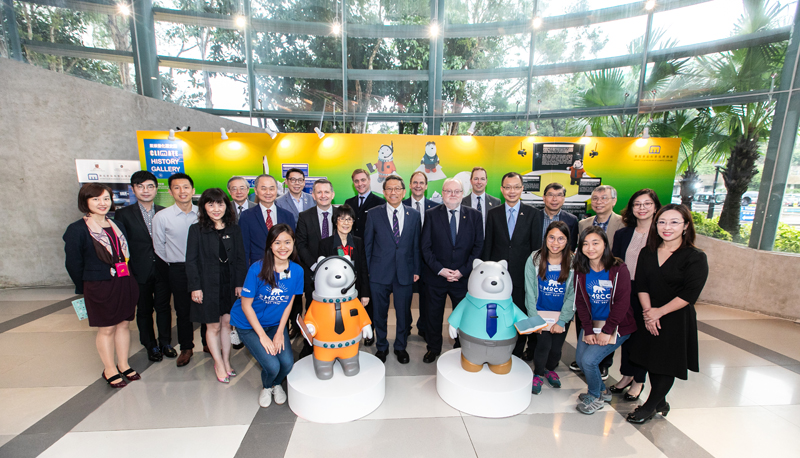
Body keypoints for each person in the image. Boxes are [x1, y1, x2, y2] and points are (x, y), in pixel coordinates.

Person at [627, 204, 708, 424]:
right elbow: (641, 285)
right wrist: (648, 312)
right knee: (651, 360)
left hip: (674, 317)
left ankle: (650, 405)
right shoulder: (648, 251)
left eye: (674, 222)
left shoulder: (695, 257)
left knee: (666, 363)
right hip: (649, 312)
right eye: (662, 222)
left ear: (686, 226)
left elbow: (690, 294)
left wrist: (658, 313)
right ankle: (660, 401)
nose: (667, 227)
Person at [64, 183, 140, 388]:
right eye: (96, 199)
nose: (102, 203)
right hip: (99, 285)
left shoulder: (118, 225)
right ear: (85, 202)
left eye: (106, 198)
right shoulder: (77, 229)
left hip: (124, 281)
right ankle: (109, 369)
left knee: (124, 324)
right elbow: (73, 263)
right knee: (106, 328)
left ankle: (123, 364)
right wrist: (86, 287)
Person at [230, 224, 303, 408]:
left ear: (293, 243)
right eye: (277, 242)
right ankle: (267, 386)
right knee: (272, 365)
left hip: (274, 323)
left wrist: (280, 332)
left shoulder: (297, 271)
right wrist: (262, 337)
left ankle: (276, 383)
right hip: (248, 324)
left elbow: (289, 304)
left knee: (287, 364)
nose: (283, 247)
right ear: (270, 245)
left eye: (287, 242)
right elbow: (246, 305)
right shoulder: (257, 268)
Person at [186, 188, 248, 383]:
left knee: (227, 324)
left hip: (229, 283)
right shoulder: (196, 230)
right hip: (207, 284)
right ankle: (218, 363)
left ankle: (227, 361)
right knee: (212, 325)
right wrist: (195, 287)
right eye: (211, 204)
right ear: (204, 206)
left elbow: (240, 259)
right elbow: (191, 261)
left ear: (226, 206)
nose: (216, 208)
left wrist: (240, 283)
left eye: (220, 204)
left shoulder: (234, 228)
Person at [573, 226, 636, 415]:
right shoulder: (581, 270)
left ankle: (596, 396)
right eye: (585, 244)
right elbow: (581, 303)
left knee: (590, 361)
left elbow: (622, 304)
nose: (590, 248)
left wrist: (607, 331)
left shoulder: (618, 268)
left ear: (605, 244)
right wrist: (589, 330)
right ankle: (602, 390)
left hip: (618, 325)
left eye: (595, 243)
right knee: (581, 360)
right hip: (593, 324)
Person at [420, 178, 483, 363]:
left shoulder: (474, 216)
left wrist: (462, 271)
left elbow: (478, 247)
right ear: (442, 193)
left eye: (457, 191)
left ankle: (460, 347)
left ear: (462, 194)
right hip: (436, 277)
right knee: (433, 315)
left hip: (462, 278)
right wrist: (440, 270)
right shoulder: (431, 215)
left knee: (463, 316)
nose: (453, 194)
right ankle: (433, 348)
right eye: (448, 191)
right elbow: (425, 247)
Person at [482, 172, 543, 357]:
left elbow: (536, 250)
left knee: (520, 312)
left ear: (522, 189)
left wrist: (534, 277)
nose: (512, 191)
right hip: (498, 277)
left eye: (516, 187)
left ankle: (517, 351)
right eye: (507, 187)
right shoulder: (493, 214)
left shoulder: (533, 214)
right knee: (499, 313)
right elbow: (488, 246)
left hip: (522, 275)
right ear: (501, 189)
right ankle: (497, 345)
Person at [609, 189, 662, 401]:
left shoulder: (661, 235)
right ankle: (626, 375)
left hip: (649, 293)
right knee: (626, 335)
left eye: (647, 204)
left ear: (655, 207)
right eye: (637, 204)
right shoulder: (623, 234)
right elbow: (616, 262)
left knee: (643, 338)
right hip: (625, 290)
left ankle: (639, 381)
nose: (642, 208)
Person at [364, 175, 421, 364]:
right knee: (379, 313)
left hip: (405, 272)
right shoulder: (373, 214)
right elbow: (368, 246)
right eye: (389, 189)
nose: (393, 192)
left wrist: (416, 270)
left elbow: (416, 246)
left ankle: (400, 346)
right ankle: (381, 346)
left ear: (404, 192)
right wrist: (368, 272)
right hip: (379, 273)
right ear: (384, 192)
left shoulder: (413, 215)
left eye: (397, 189)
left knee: (403, 312)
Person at [114, 171, 169, 362]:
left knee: (164, 308)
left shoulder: (164, 211)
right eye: (140, 186)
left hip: (163, 269)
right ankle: (150, 344)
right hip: (139, 270)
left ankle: (166, 342)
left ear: (156, 189)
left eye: (150, 186)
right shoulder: (123, 214)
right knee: (144, 310)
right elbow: (121, 245)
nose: (145, 191)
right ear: (133, 189)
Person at [571, 184, 624, 377]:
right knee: (585, 313)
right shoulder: (584, 223)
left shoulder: (623, 223)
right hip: (587, 275)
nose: (599, 202)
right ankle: (584, 354)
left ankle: (603, 362)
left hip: (610, 278)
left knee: (607, 315)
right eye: (595, 198)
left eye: (604, 198)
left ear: (614, 201)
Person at [152, 172, 199, 367]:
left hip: (202, 267)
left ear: (193, 190)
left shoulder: (203, 213)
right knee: (183, 310)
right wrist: (175, 261)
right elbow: (159, 247)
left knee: (206, 306)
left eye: (186, 187)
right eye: (177, 188)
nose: (182, 191)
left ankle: (207, 343)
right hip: (178, 268)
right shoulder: (162, 217)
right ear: (170, 192)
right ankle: (186, 347)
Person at [524, 221, 575, 395]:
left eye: (561, 239)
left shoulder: (573, 261)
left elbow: (573, 294)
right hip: (540, 314)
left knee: (556, 348)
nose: (555, 243)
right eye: (552, 237)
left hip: (561, 315)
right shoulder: (534, 259)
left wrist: (562, 320)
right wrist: (534, 318)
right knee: (543, 345)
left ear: (567, 241)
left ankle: (550, 369)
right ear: (545, 238)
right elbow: (529, 290)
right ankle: (538, 373)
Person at [296, 179, 340, 356]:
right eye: (319, 192)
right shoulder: (304, 216)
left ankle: (334, 341)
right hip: (312, 271)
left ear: (333, 194)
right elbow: (300, 244)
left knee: (336, 309)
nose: (323, 196)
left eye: (326, 192)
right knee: (313, 309)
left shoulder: (341, 214)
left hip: (338, 273)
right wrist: (317, 266)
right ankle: (311, 343)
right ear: (313, 195)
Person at [319, 204, 371, 326]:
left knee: (352, 322)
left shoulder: (358, 242)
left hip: (354, 290)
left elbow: (363, 269)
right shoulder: (325, 244)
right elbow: (321, 274)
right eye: (341, 219)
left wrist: (365, 294)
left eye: (349, 219)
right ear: (335, 221)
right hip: (332, 292)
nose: (346, 223)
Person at [402, 171, 437, 339]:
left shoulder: (435, 207)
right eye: (415, 182)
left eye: (421, 183)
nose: (418, 186)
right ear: (409, 185)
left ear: (426, 186)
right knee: (405, 296)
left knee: (426, 297)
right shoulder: (400, 205)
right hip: (406, 260)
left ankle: (423, 326)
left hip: (428, 261)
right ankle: (406, 325)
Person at [240, 174, 297, 266]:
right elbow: (244, 249)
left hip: (283, 268)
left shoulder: (287, 216)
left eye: (271, 188)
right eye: (263, 188)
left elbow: (292, 246)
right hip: (258, 268)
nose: (268, 192)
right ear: (256, 191)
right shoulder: (246, 216)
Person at [345, 169, 384, 239]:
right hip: (352, 245)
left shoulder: (380, 203)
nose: (360, 184)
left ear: (369, 181)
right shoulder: (348, 203)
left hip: (371, 246)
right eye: (356, 181)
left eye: (363, 180)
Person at [541, 182, 579, 251]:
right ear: (544, 198)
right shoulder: (533, 217)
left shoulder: (572, 220)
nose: (554, 199)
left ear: (564, 198)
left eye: (559, 195)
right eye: (550, 195)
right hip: (535, 260)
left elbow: (571, 247)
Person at [461, 167, 501, 233]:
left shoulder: (496, 203)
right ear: (471, 181)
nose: (479, 182)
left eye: (482, 179)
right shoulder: (462, 203)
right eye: (476, 179)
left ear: (486, 181)